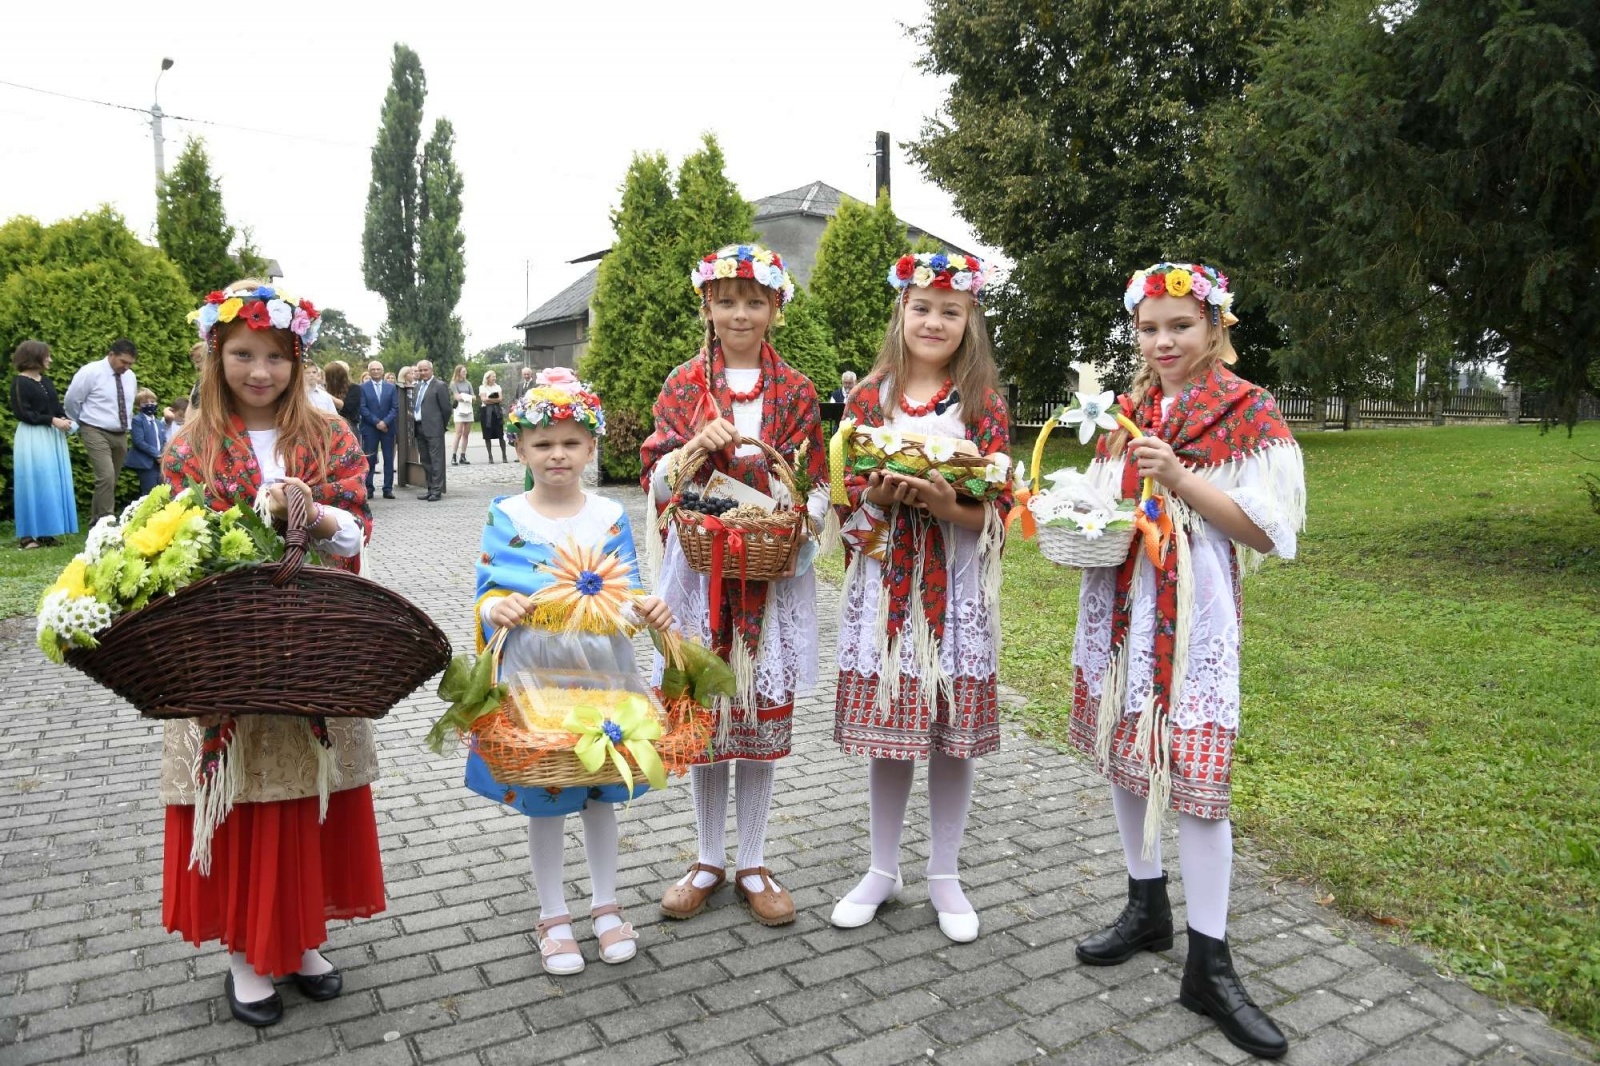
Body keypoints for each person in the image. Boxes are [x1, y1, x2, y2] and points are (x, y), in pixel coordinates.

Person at [1068, 263, 1303, 1059]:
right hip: (1121, 607)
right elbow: (1102, 502)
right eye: (1149, 327)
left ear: (1215, 328)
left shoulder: (1248, 410)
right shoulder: (1125, 411)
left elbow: (1267, 531)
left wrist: (1181, 478)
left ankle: (1210, 961)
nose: (1164, 341)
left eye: (1181, 325)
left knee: (1198, 789)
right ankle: (1147, 906)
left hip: (1193, 617)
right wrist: (1080, 510)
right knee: (1126, 761)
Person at [162, 278, 380, 1028]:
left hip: (312, 643)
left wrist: (311, 511)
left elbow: (355, 528)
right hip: (224, 650)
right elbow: (170, 542)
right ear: (216, 355)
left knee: (308, 795)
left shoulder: (329, 436)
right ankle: (245, 957)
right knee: (244, 799)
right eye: (243, 354)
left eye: (276, 356)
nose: (260, 371)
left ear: (298, 358)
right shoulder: (190, 444)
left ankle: (302, 940)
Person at [641, 244, 829, 928]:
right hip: (700, 573)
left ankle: (752, 859)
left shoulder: (799, 391)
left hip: (766, 576)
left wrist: (795, 516)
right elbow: (657, 481)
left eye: (755, 301)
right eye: (726, 301)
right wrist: (691, 448)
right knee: (709, 718)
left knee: (754, 715)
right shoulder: (684, 384)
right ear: (708, 307)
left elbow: (816, 482)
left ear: (777, 308)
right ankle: (707, 857)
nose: (739, 313)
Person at [828, 252, 1011, 945]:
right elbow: (847, 502)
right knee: (892, 732)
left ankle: (944, 872)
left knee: (948, 737)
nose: (934, 321)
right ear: (901, 312)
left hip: (955, 586)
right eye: (922, 308)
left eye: (950, 310)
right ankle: (881, 868)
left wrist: (947, 504)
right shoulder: (868, 397)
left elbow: (996, 513)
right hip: (887, 586)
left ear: (970, 320)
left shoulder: (983, 402)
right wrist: (874, 495)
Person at [467, 370, 674, 975]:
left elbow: (627, 592)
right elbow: (487, 592)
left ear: (591, 447)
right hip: (535, 680)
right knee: (547, 798)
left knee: (600, 795)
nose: (557, 454)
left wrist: (648, 606)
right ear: (520, 449)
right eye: (542, 443)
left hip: (603, 676)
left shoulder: (610, 514)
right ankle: (553, 913)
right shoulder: (504, 514)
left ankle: (606, 906)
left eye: (571, 442)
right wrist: (493, 607)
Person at [9, 340, 77, 549]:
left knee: (50, 482)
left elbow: (54, 407)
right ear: (34, 356)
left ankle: (46, 532)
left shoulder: (45, 381)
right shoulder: (20, 382)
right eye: (47, 355)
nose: (50, 359)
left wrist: (64, 419)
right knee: (32, 481)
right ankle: (28, 536)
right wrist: (51, 420)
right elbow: (24, 412)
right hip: (32, 437)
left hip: (51, 436)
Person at [63, 337, 137, 524]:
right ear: (111, 355)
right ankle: (107, 521)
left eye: (130, 363)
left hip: (120, 433)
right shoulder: (90, 372)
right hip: (94, 429)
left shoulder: (130, 377)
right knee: (106, 475)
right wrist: (80, 422)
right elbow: (72, 400)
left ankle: (95, 521)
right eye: (123, 362)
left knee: (111, 479)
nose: (126, 367)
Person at [411, 359, 450, 501]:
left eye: (425, 370)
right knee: (425, 460)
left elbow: (446, 409)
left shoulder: (439, 385)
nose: (423, 372)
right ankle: (429, 488)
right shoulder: (417, 386)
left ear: (431, 370)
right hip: (419, 427)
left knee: (436, 460)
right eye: (420, 370)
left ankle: (437, 490)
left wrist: (440, 424)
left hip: (434, 428)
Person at [360, 360, 399, 500]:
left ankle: (388, 488)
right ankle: (369, 488)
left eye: (378, 369)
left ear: (382, 371)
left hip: (388, 428)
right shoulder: (363, 388)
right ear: (369, 371)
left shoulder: (391, 388)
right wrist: (377, 422)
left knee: (388, 459)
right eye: (373, 369)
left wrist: (385, 422)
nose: (376, 371)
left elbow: (395, 408)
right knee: (369, 459)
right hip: (370, 428)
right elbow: (363, 408)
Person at [126, 388, 167, 494]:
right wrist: (157, 455)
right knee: (150, 493)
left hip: (160, 464)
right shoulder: (137, 420)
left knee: (163, 492)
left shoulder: (159, 423)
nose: (150, 404)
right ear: (138, 406)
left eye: (152, 402)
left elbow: (164, 441)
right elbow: (139, 441)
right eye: (145, 403)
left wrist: (164, 454)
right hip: (146, 463)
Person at [324, 360, 361, 433]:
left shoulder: (354, 388)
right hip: (328, 426)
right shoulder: (325, 388)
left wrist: (325, 395)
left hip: (349, 427)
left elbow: (347, 407)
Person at [449, 365, 475, 465]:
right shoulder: (453, 383)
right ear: (458, 372)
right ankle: (454, 456)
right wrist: (467, 397)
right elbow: (457, 397)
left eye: (465, 371)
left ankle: (463, 455)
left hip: (468, 409)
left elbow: (474, 397)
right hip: (459, 409)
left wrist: (464, 396)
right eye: (463, 371)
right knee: (458, 433)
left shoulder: (468, 383)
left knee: (466, 434)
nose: (465, 373)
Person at [478, 370, 506, 463]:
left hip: (496, 411)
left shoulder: (497, 386)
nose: (494, 378)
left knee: (500, 434)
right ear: (488, 378)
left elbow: (500, 399)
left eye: (495, 376)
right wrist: (494, 398)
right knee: (487, 435)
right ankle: (490, 456)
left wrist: (489, 398)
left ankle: (504, 455)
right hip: (486, 412)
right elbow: (484, 400)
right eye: (492, 376)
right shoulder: (482, 387)